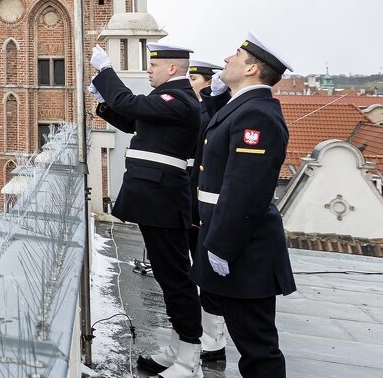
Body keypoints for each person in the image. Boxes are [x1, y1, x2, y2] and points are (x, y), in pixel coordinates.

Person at [89, 43, 204, 378]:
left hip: (164, 200)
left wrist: (107, 71)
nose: (149, 70)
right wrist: (101, 101)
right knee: (169, 279)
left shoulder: (178, 99)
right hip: (157, 199)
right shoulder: (169, 101)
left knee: (176, 279)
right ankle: (177, 349)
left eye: (155, 66)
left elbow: (130, 103)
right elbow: (135, 122)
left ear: (171, 69)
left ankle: (190, 358)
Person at [191, 32, 297, 378]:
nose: (225, 59)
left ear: (251, 68)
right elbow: (216, 136)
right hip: (231, 240)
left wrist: (222, 246)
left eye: (235, 55)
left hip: (243, 248)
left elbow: (245, 190)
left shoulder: (258, 116)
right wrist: (215, 98)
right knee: (247, 338)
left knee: (257, 348)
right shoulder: (244, 107)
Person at [185, 59, 229, 364]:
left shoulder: (211, 110)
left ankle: (214, 341)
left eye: (194, 78)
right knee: (199, 266)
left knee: (209, 273)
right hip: (193, 196)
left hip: (207, 200)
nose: (189, 83)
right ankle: (209, 335)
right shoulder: (199, 108)